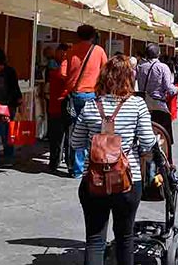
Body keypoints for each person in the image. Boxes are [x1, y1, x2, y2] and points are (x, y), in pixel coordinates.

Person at [71, 55, 160, 265]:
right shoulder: (137, 105)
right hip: (128, 180)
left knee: (94, 239)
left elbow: (75, 143)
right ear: (129, 78)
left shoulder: (91, 106)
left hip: (93, 180)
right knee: (125, 237)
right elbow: (148, 142)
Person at [62, 24, 108, 178]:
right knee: (93, 131)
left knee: (75, 131)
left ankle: (76, 168)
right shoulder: (99, 51)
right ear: (93, 36)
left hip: (75, 95)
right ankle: (90, 166)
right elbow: (106, 73)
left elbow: (62, 73)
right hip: (92, 96)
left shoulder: (71, 50)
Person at [47, 43, 70, 171]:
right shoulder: (67, 74)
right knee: (66, 136)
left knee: (56, 137)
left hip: (56, 106)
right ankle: (67, 161)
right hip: (61, 106)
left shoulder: (53, 72)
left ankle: (54, 162)